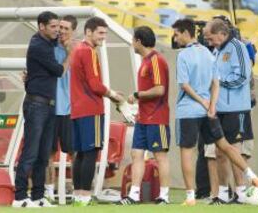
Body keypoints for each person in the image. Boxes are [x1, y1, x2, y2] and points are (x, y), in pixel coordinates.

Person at [172, 18, 258, 206]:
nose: (209, 41)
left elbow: (243, 77)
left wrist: (217, 89)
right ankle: (222, 194)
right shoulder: (212, 51)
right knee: (219, 152)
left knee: (231, 149)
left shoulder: (237, 47)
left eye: (211, 38)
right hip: (215, 109)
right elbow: (213, 81)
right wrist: (212, 104)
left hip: (234, 108)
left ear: (222, 33)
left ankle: (240, 191)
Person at [13, 11, 66, 208]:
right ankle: (19, 197)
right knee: (31, 152)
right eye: (53, 26)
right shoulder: (37, 45)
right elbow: (59, 71)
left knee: (43, 154)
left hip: (48, 104)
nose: (57, 30)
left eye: (58, 26)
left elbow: (59, 40)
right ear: (41, 26)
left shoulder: (48, 42)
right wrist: (70, 53)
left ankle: (37, 196)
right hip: (37, 105)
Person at [70, 16, 123, 206]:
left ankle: (78, 196)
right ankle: (85, 196)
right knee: (91, 152)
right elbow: (94, 84)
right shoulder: (89, 52)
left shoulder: (77, 50)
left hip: (76, 109)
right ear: (88, 32)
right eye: (100, 33)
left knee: (81, 153)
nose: (103, 37)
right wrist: (113, 94)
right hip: (90, 108)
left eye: (105, 34)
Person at [116, 26, 171, 205]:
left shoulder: (156, 60)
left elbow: (160, 89)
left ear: (138, 41)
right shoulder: (145, 61)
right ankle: (134, 195)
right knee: (136, 154)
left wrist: (137, 95)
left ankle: (164, 196)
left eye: (133, 40)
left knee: (159, 156)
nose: (132, 43)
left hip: (157, 118)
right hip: (143, 118)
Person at [45, 14, 78, 202]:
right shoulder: (49, 48)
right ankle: (48, 192)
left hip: (70, 110)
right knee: (48, 153)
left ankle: (75, 191)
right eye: (60, 28)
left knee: (74, 152)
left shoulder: (81, 50)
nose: (62, 31)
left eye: (66, 28)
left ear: (73, 31)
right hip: (50, 108)